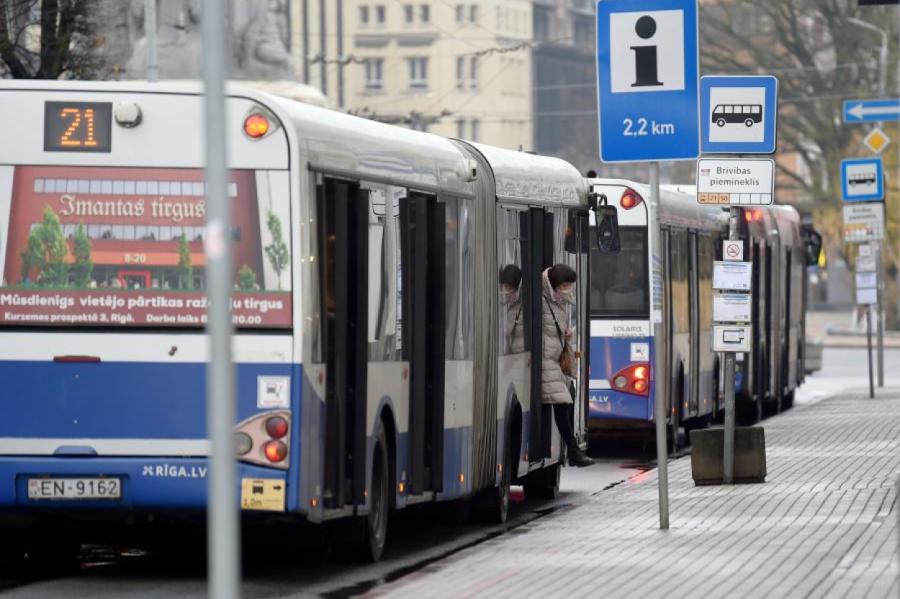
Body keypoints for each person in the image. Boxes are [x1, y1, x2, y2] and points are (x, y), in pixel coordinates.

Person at [542, 263, 594, 467]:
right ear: (554, 284)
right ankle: (573, 451)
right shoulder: (543, 299)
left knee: (569, 397)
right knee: (563, 403)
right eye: (565, 285)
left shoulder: (558, 300)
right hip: (545, 361)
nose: (568, 289)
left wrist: (566, 333)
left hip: (555, 360)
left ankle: (572, 451)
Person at [499, 264, 525, 354]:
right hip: (514, 359)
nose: (504, 291)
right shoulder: (512, 306)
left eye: (507, 286)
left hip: (521, 358)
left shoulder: (522, 307)